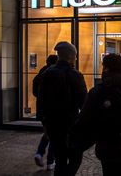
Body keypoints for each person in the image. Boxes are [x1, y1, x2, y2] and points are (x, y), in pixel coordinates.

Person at [72, 53, 121, 176]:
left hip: (105, 145)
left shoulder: (96, 91)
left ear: (105, 68)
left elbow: (84, 120)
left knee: (107, 171)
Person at [39, 41, 87, 176]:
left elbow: (41, 101)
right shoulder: (75, 75)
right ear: (71, 57)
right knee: (75, 156)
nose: (76, 59)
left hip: (53, 124)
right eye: (75, 56)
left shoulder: (48, 74)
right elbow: (84, 102)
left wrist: (44, 123)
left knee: (59, 159)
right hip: (70, 124)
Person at [33, 54, 58, 170]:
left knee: (48, 133)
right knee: (54, 135)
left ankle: (39, 153)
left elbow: (35, 92)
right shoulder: (54, 73)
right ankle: (50, 161)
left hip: (42, 109)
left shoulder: (41, 72)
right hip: (53, 109)